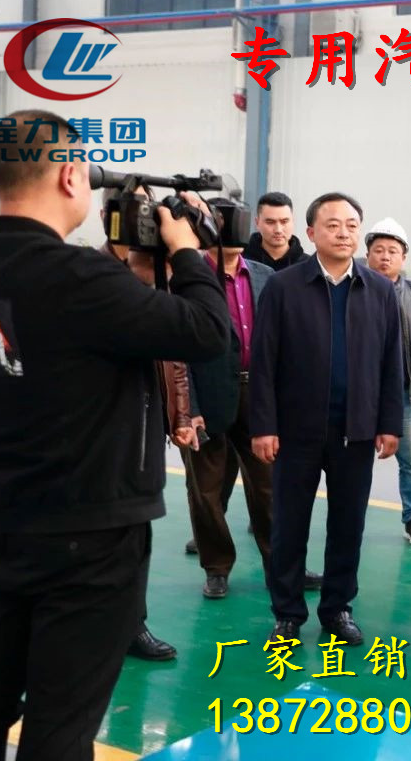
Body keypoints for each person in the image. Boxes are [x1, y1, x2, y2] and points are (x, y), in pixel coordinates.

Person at [0, 109, 228, 759]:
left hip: (0, 522)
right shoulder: (80, 279)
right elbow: (207, 332)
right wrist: (186, 251)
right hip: (90, 536)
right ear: (71, 176)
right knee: (62, 723)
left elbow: (19, 361)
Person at [250, 192, 404, 646]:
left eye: (351, 225)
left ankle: (337, 608)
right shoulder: (284, 287)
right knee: (289, 525)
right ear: (311, 232)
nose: (343, 233)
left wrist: (389, 423)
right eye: (332, 225)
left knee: (348, 526)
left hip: (356, 430)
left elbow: (391, 362)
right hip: (295, 431)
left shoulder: (379, 290)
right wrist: (264, 425)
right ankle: (287, 613)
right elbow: (264, 361)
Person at [97, 185, 191, 662]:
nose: (145, 217)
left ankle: (133, 624)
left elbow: (175, 356)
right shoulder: (93, 276)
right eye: (134, 208)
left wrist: (182, 416)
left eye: (148, 208)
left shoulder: (159, 272)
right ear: (110, 216)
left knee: (138, 535)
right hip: (100, 434)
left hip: (147, 430)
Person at [183, 226, 276, 600]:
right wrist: (189, 407)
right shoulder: (189, 277)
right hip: (207, 395)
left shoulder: (265, 276)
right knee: (205, 488)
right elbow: (177, 348)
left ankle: (280, 564)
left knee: (270, 483)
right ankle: (216, 567)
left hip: (257, 392)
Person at [365, 217, 411, 546]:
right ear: (368, 254)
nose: (385, 256)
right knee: (354, 461)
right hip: (362, 395)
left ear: (403, 256)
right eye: (378, 250)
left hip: (405, 393)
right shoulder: (355, 290)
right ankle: (351, 515)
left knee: (410, 460)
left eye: (392, 251)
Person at [243, 191, 307, 270]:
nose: (278, 230)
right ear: (257, 223)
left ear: (292, 222)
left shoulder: (309, 266)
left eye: (284, 222)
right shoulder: (240, 262)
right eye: (270, 222)